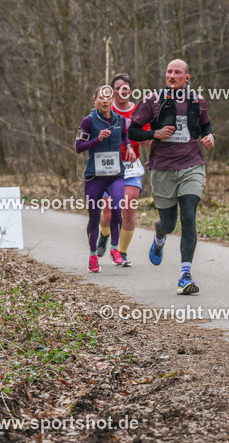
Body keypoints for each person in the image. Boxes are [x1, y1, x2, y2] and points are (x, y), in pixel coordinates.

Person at [129, 58, 215, 295]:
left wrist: (210, 137)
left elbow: (206, 127)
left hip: (191, 165)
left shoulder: (197, 101)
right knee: (168, 223)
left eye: (177, 72)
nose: (172, 75)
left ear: (187, 78)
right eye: (169, 71)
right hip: (163, 168)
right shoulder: (153, 100)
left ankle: (185, 274)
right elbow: (133, 130)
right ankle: (159, 236)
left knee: (189, 216)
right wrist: (155, 133)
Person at [75, 86, 129, 273]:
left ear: (113, 100)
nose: (105, 101)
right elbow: (79, 147)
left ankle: (115, 249)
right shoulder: (88, 121)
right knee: (95, 216)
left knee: (116, 207)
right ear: (95, 100)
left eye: (108, 97)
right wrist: (97, 140)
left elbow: (125, 137)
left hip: (115, 174)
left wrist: (128, 147)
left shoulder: (120, 120)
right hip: (95, 176)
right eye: (101, 97)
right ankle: (92, 256)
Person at [96, 73, 147, 267]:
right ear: (112, 92)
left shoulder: (140, 111)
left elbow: (147, 139)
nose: (121, 92)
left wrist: (155, 138)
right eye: (117, 88)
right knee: (107, 212)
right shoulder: (105, 111)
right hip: (108, 165)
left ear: (130, 91)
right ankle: (104, 234)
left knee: (129, 208)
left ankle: (121, 252)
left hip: (131, 166)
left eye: (125, 88)